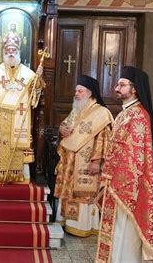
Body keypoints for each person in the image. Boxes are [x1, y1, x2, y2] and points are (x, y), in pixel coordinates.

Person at [95, 66, 153, 262]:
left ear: (134, 88)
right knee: (119, 231)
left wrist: (115, 181)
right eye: (118, 84)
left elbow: (136, 157)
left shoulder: (138, 116)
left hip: (129, 189)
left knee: (126, 233)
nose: (116, 87)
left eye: (122, 84)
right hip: (117, 184)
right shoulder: (125, 113)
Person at [54, 75, 113, 237]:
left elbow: (104, 139)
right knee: (69, 191)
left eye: (79, 91)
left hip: (87, 162)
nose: (76, 94)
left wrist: (97, 161)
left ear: (90, 93)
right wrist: (62, 129)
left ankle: (83, 226)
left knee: (84, 194)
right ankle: (67, 222)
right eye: (76, 91)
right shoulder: (77, 109)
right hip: (71, 162)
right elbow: (65, 125)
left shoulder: (102, 113)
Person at [0, 31, 44, 185]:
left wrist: (38, 78)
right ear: (4, 52)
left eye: (13, 50)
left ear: (18, 52)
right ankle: (0, 174)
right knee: (0, 142)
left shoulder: (28, 73)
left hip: (20, 115)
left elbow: (35, 93)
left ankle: (20, 176)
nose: (10, 53)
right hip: (1, 115)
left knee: (19, 142)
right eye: (7, 50)